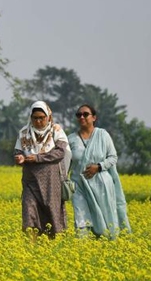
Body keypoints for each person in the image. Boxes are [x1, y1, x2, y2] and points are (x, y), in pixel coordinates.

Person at [67, 104, 131, 239]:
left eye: (85, 114)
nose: (82, 117)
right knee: (81, 217)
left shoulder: (103, 135)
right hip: (79, 186)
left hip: (102, 185)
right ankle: (81, 249)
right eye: (79, 115)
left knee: (105, 221)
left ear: (94, 117)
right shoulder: (71, 139)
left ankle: (107, 244)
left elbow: (113, 157)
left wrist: (99, 166)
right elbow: (66, 163)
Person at [14, 101, 70, 239]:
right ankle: (31, 248)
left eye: (41, 118)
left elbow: (60, 152)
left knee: (52, 212)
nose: (38, 121)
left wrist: (38, 158)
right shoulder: (24, 133)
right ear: (30, 118)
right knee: (29, 211)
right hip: (30, 180)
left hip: (51, 181)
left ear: (48, 117)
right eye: (35, 118)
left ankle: (53, 246)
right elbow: (17, 152)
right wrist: (19, 158)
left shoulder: (56, 130)